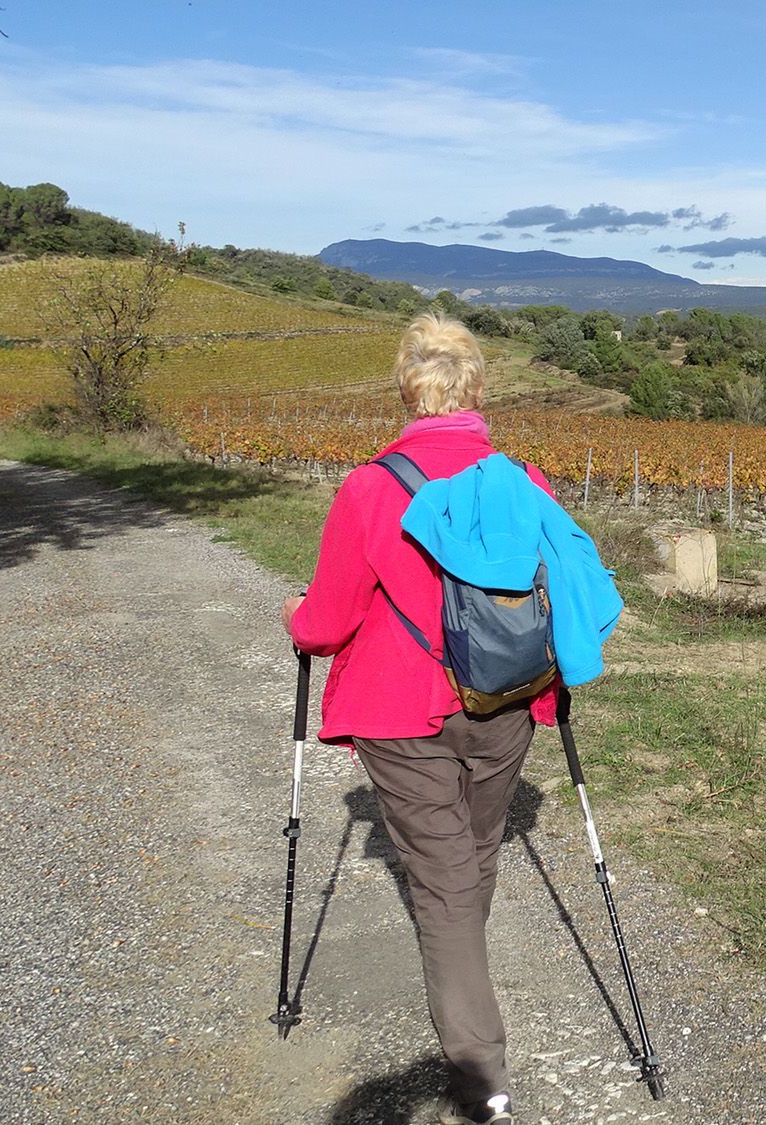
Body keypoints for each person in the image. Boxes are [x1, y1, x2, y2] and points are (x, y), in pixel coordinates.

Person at [282, 312, 567, 1125]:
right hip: (503, 697)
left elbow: (327, 622)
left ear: (408, 389)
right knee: (472, 856)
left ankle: (481, 1078)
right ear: (478, 388)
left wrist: (293, 618)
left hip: (400, 713)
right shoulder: (526, 480)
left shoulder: (371, 486)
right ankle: (463, 969)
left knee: (444, 884)